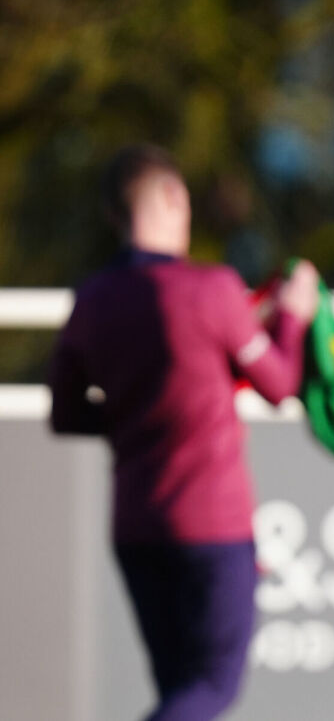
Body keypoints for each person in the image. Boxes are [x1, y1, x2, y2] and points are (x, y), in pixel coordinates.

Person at [48, 144, 319, 720]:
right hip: (211, 526)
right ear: (174, 198)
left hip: (136, 526)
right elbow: (280, 384)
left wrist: (135, 417)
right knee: (209, 691)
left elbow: (66, 415)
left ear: (113, 215)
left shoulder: (91, 299)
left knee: (179, 692)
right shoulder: (212, 287)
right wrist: (294, 313)